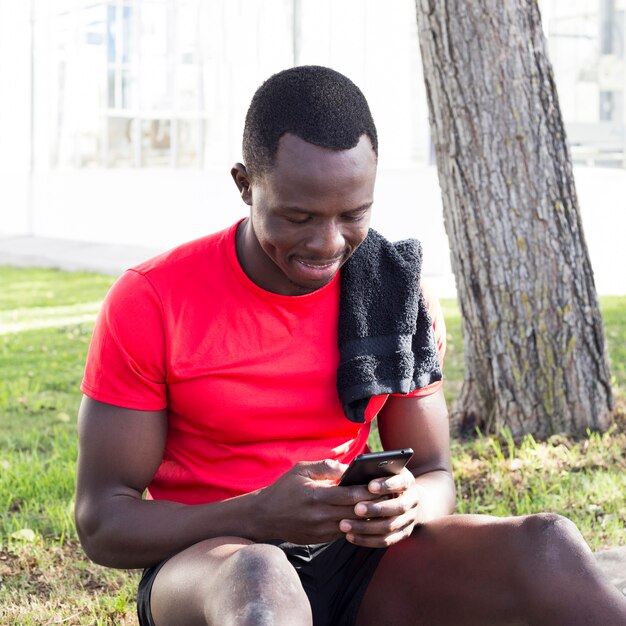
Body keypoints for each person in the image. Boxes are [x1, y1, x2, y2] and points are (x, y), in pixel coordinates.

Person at [75, 65, 626, 626]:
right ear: (244, 184)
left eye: (353, 214)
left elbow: (436, 473)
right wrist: (259, 516)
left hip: (357, 557)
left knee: (547, 545)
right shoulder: (152, 300)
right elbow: (103, 524)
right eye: (298, 216)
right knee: (260, 580)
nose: (328, 242)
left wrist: (408, 504)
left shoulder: (392, 289)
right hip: (213, 567)